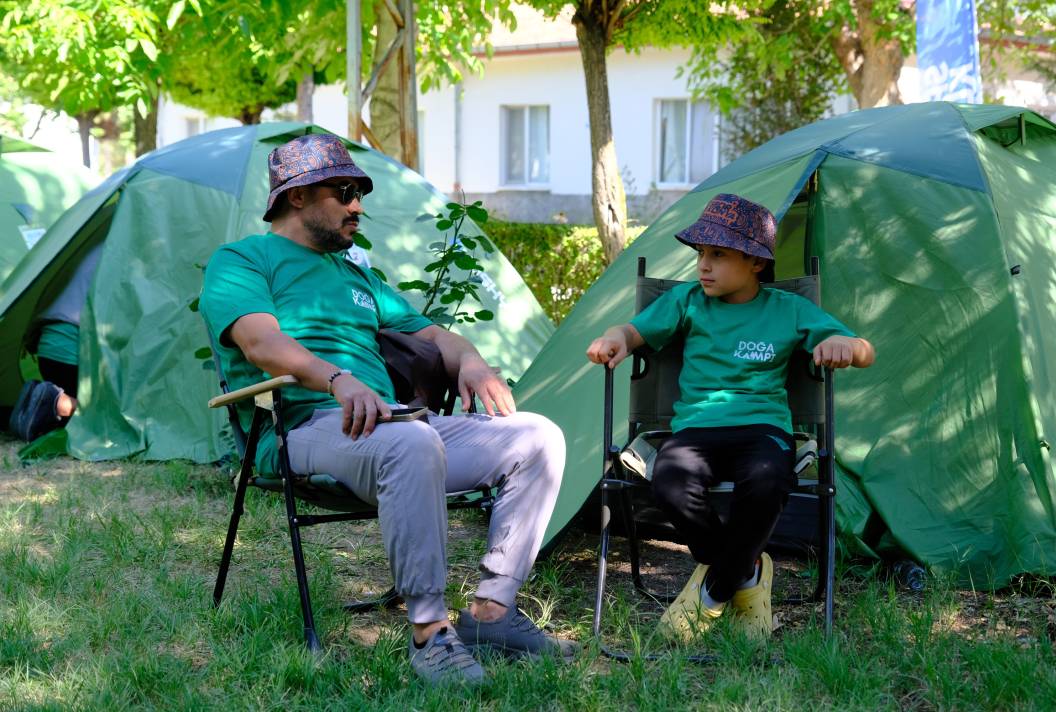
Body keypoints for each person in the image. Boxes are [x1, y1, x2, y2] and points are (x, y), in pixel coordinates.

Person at [199, 133, 574, 686]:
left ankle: (491, 613)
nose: (358, 205)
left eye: (361, 192)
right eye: (345, 191)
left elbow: (434, 334)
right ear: (297, 196)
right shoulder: (242, 260)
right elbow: (259, 343)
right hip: (303, 424)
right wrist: (337, 380)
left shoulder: (358, 277)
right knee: (410, 441)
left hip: (391, 424)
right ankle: (429, 633)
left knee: (537, 437)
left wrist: (470, 362)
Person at [585, 193, 875, 642]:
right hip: (695, 429)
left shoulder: (789, 309)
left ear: (756, 262)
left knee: (768, 483)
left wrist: (845, 347)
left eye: (718, 255)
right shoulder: (686, 301)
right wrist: (614, 337)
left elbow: (864, 350)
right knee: (669, 484)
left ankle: (711, 595)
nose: (704, 265)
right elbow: (632, 331)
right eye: (701, 253)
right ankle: (747, 573)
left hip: (763, 430)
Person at [7, 243, 103, 441]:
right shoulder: (114, 257)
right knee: (104, 413)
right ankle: (55, 400)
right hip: (69, 356)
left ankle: (39, 399)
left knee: (66, 424)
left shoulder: (84, 251)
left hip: (47, 348)